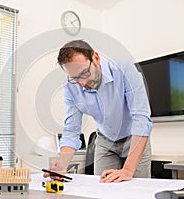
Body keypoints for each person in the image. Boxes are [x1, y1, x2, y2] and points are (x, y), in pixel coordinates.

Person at [43, 40, 153, 183]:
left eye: (85, 73)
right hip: (105, 141)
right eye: (75, 78)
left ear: (96, 58)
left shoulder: (124, 69)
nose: (82, 83)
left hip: (134, 139)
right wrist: (62, 165)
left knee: (138, 190)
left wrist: (127, 170)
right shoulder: (70, 88)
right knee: (101, 189)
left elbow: (141, 118)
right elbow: (72, 130)